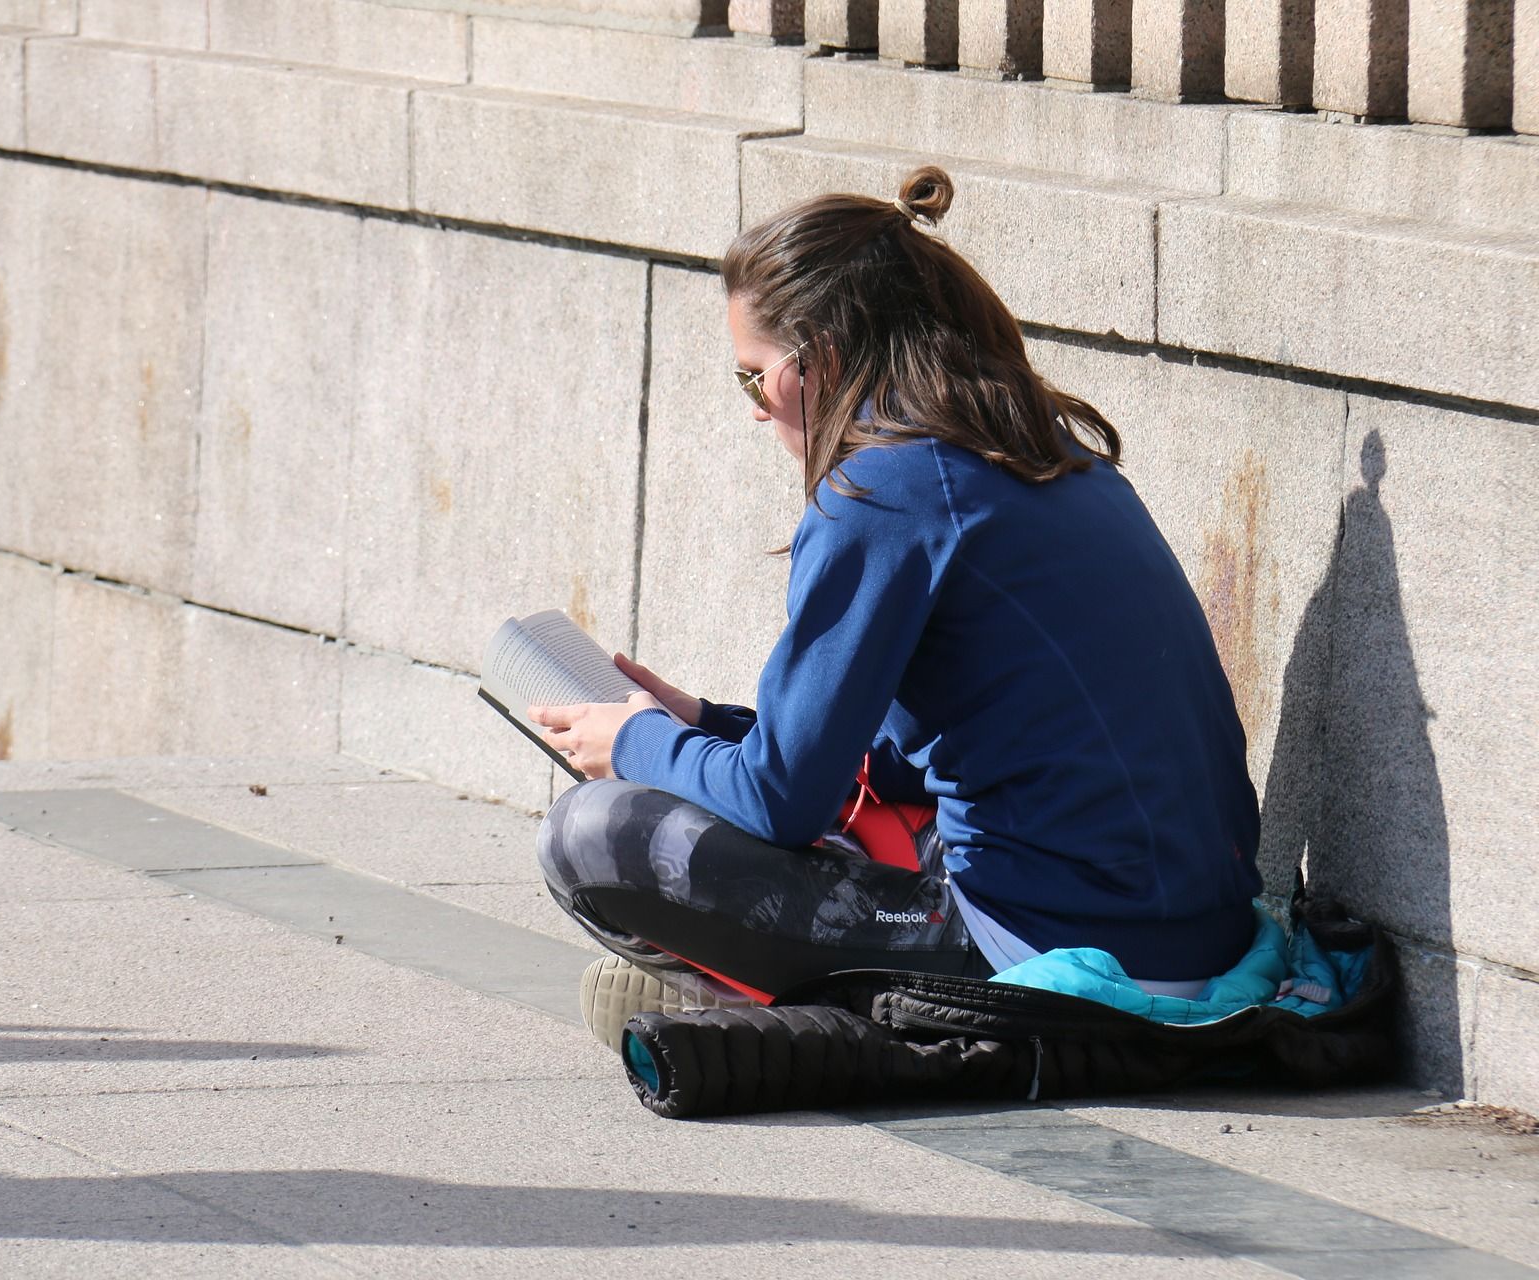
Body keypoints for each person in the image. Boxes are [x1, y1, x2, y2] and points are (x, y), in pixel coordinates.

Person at [529, 165, 1264, 1046]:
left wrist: (637, 744)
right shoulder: (1050, 455)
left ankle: (758, 1005)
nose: (758, 411)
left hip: (1062, 953)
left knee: (592, 834)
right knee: (837, 816)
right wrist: (705, 725)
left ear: (824, 359)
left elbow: (780, 801)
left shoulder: (881, 490)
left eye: (754, 377)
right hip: (1204, 930)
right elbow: (902, 766)